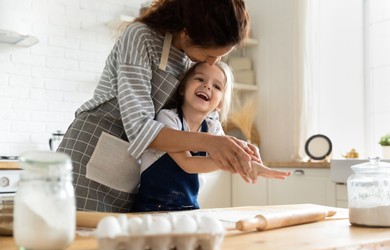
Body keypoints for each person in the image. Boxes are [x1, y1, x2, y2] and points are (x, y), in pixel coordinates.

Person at [58, 0, 260, 213]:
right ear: (186, 32)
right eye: (210, 55)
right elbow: (139, 128)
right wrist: (212, 143)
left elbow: (207, 120)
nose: (212, 63)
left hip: (132, 171)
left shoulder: (191, 58)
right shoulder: (140, 37)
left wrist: (236, 148)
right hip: (91, 156)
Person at [133, 61, 291, 212]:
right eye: (200, 79)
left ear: (220, 104)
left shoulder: (213, 128)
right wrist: (231, 163)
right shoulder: (168, 118)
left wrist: (248, 163)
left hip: (188, 208)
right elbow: (188, 163)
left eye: (216, 86)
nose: (207, 85)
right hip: (150, 208)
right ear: (182, 88)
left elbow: (229, 154)